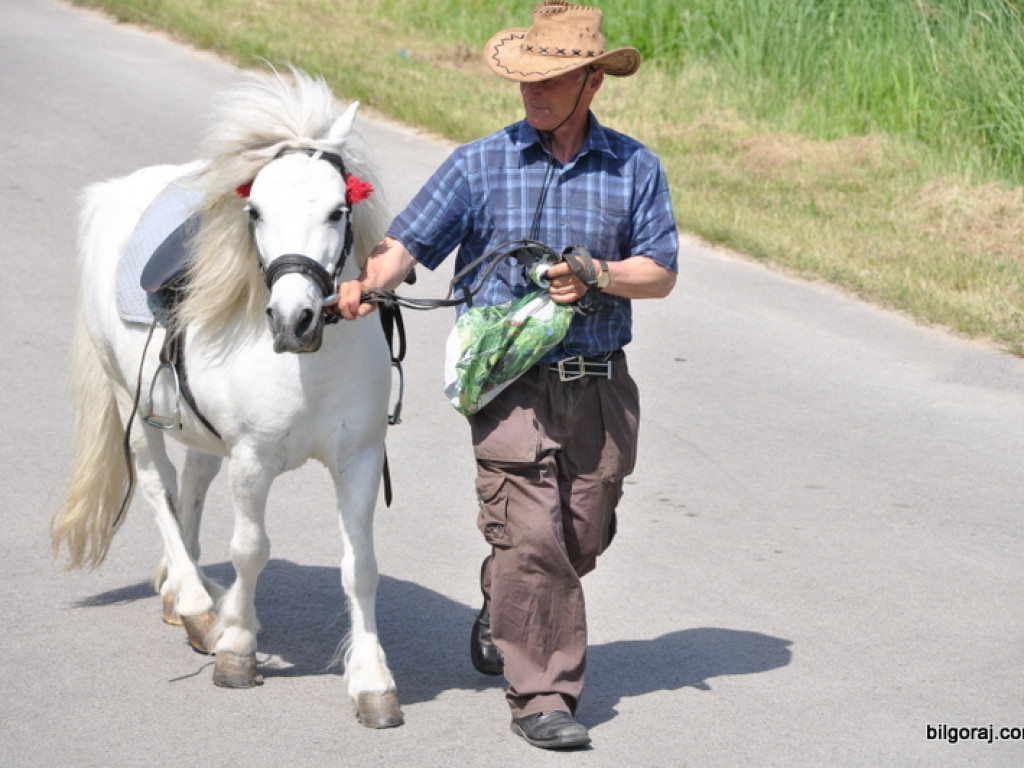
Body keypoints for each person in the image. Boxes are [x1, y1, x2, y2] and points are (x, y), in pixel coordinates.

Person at [337, 1, 678, 750]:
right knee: (532, 540)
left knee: (580, 535)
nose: (534, 91)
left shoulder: (635, 168)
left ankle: (505, 604)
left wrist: (598, 273)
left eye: (552, 78)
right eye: (527, 77)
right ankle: (544, 695)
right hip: (508, 388)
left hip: (600, 386)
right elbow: (407, 241)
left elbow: (660, 273)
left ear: (592, 81)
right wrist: (375, 281)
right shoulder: (479, 162)